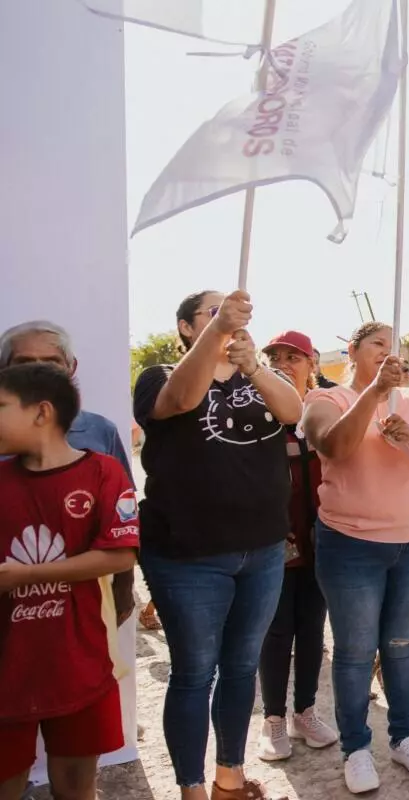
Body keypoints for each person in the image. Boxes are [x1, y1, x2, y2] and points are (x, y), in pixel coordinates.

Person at [134, 289, 300, 800]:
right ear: (187, 328)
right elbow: (181, 401)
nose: (229, 319)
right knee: (193, 673)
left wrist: (254, 368)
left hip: (263, 549)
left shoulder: (257, 374)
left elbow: (293, 410)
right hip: (188, 556)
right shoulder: (160, 375)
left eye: (231, 313)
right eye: (211, 313)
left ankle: (229, 778)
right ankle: (191, 790)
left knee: (242, 667)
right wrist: (217, 330)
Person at [301, 321, 409, 793]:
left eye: (394, 346)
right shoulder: (325, 399)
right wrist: (373, 393)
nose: (389, 353)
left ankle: (404, 737)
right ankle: (356, 749)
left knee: (403, 645)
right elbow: (334, 446)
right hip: (350, 545)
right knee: (354, 651)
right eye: (378, 344)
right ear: (352, 350)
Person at [0, 363, 139, 800]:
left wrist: (27, 575)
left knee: (77, 786)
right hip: (8, 671)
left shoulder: (103, 473)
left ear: (42, 412)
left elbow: (120, 553)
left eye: (1, 406)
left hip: (81, 665)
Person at [0, 321, 136, 629]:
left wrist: (124, 585)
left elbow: (122, 523)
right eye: (24, 362)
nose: (38, 373)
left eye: (51, 362)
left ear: (70, 368)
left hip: (80, 610)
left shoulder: (100, 436)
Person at [255, 331, 338, 761]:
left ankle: (304, 711)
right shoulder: (256, 416)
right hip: (275, 542)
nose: (283, 364)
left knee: (311, 628)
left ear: (312, 364)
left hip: (321, 539)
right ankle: (272, 718)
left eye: (293, 357)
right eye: (275, 358)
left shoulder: (325, 410)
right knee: (276, 630)